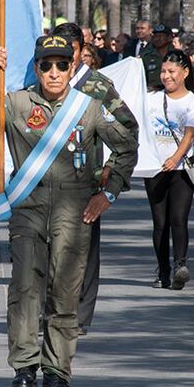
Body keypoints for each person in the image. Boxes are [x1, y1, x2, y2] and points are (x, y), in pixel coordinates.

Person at [0, 36, 137, 387]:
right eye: (46, 65)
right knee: (25, 288)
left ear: (72, 68)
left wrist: (109, 193)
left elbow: (126, 146)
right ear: (37, 68)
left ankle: (57, 370)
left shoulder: (87, 108)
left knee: (64, 293)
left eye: (61, 65)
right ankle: (25, 364)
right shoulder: (18, 102)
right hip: (29, 208)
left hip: (74, 211)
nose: (53, 73)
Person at [54, 22, 138, 334]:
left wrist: (112, 171)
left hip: (85, 182)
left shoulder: (97, 85)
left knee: (83, 252)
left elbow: (128, 129)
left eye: (68, 50)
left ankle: (78, 317)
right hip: (46, 183)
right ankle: (50, 312)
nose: (60, 58)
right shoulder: (42, 81)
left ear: (79, 52)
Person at [144, 50, 194, 290]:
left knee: (178, 218)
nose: (166, 76)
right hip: (155, 169)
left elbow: (190, 135)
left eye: (171, 71)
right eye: (163, 71)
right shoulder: (151, 99)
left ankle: (180, 265)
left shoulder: (193, 102)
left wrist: (175, 158)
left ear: (185, 72)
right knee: (160, 223)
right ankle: (163, 271)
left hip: (181, 170)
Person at [141, 24, 172, 91]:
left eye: (160, 36)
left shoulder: (177, 55)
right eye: (155, 36)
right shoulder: (146, 57)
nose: (157, 39)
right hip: (153, 93)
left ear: (169, 38)